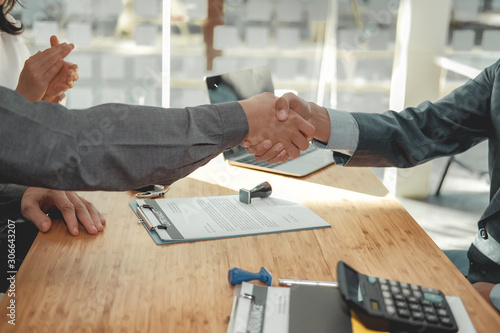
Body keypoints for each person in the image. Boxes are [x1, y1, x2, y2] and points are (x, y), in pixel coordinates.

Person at [245, 59, 500, 312]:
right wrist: (315, 120)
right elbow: (422, 129)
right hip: (482, 264)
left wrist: (496, 295)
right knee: (350, 275)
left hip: (491, 289)